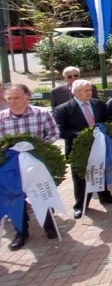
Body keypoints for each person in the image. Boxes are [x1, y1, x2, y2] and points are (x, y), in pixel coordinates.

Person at [0, 84, 60, 250]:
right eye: (9, 98)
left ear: (27, 97)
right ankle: (21, 232)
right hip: (11, 168)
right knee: (15, 199)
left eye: (16, 97)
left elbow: (54, 132)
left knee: (41, 193)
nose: (12, 101)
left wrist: (40, 145)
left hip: (37, 164)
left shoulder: (41, 113)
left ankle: (49, 225)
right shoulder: (1, 118)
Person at [54, 79, 112, 218]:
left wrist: (104, 128)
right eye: (86, 90)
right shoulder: (63, 109)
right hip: (78, 150)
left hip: (99, 145)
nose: (89, 92)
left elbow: (109, 118)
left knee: (101, 171)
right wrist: (85, 134)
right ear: (76, 92)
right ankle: (80, 205)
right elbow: (62, 131)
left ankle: (105, 196)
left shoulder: (98, 104)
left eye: (90, 90)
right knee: (80, 178)